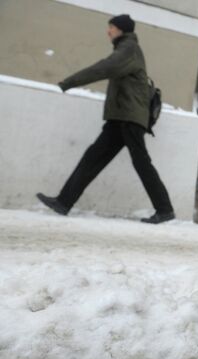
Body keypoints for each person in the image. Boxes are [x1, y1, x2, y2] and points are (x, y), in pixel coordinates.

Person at [36, 14, 175, 224]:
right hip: (120, 117)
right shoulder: (126, 49)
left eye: (111, 27)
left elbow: (104, 68)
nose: (108, 31)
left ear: (121, 30)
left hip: (129, 118)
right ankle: (64, 202)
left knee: (141, 162)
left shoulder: (128, 49)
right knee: (93, 157)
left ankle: (165, 209)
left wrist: (70, 82)